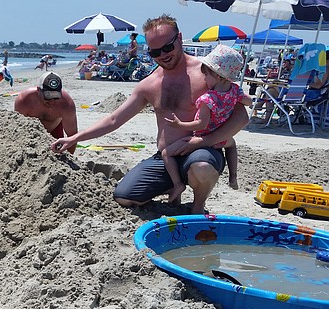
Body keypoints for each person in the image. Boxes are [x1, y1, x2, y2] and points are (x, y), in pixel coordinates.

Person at [50, 14, 249, 215]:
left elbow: (241, 117)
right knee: (124, 195)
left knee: (202, 167)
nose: (163, 55)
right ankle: (173, 185)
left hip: (202, 152)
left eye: (167, 47)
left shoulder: (208, 73)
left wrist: (204, 141)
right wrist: (74, 138)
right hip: (166, 157)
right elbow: (114, 119)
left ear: (179, 39)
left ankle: (197, 208)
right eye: (155, 52)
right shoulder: (149, 84)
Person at [163, 45, 252, 195]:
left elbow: (201, 124)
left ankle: (177, 184)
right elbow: (248, 101)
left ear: (217, 76)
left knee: (166, 153)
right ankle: (233, 177)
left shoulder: (208, 99)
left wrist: (180, 124)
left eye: (207, 75)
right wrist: (240, 100)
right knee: (232, 144)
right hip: (222, 139)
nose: (204, 78)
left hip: (201, 137)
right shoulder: (235, 91)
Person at [14, 72, 78, 141]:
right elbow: (18, 129)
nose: (52, 101)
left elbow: (72, 136)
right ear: (38, 90)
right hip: (30, 133)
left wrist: (69, 152)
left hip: (55, 129)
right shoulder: (24, 101)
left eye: (55, 97)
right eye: (48, 96)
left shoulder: (66, 105)